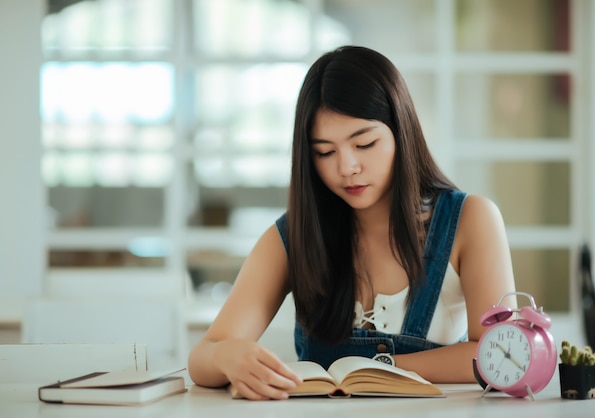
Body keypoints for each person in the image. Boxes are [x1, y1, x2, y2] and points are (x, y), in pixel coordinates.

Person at [188, 45, 517, 400]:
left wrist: (381, 369)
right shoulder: (292, 236)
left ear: (401, 132)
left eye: (365, 143)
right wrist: (227, 356)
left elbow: (504, 354)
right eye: (325, 152)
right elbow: (202, 359)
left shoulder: (471, 220)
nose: (346, 167)